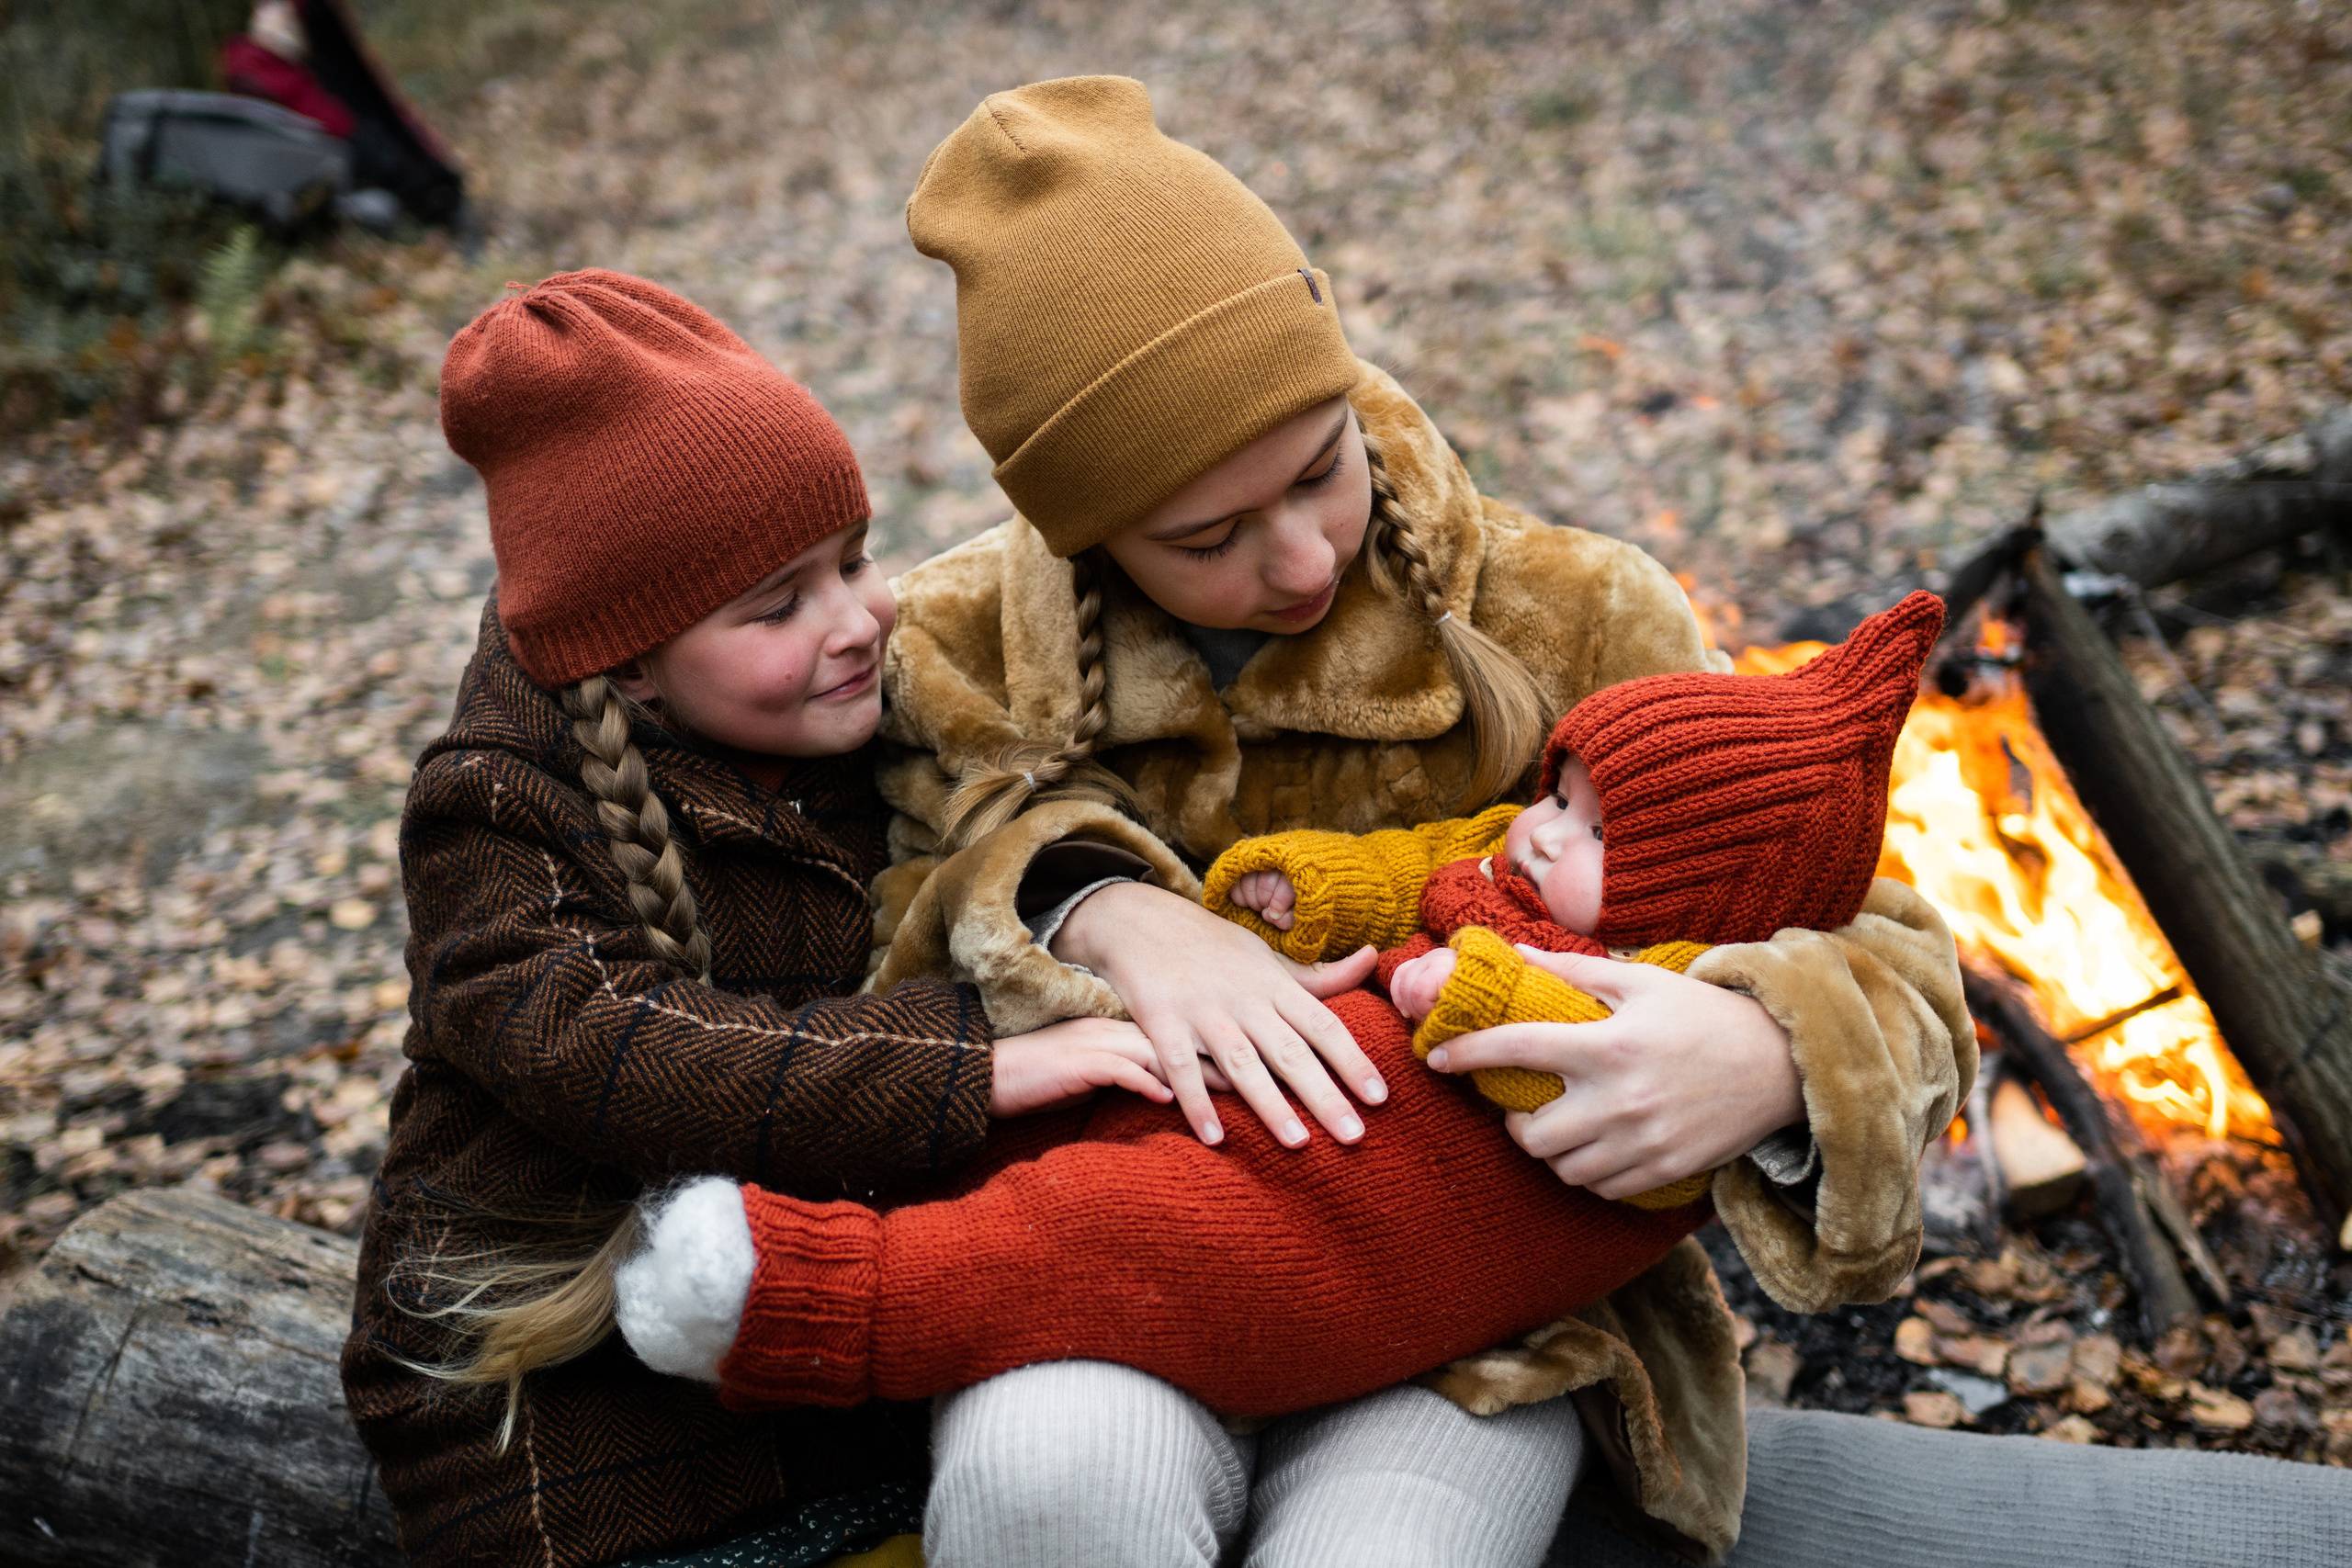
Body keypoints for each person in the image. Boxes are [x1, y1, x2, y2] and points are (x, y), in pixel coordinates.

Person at [1209, 590, 1946, 1209]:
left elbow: (1580, 1060)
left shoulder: (1661, 979)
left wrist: (1480, 997)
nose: (1548, 834)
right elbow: (1409, 867)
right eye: (1559, 796)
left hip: (1457, 1191)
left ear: (1686, 893)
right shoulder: (1507, 857)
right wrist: (1313, 888)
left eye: (1598, 830)